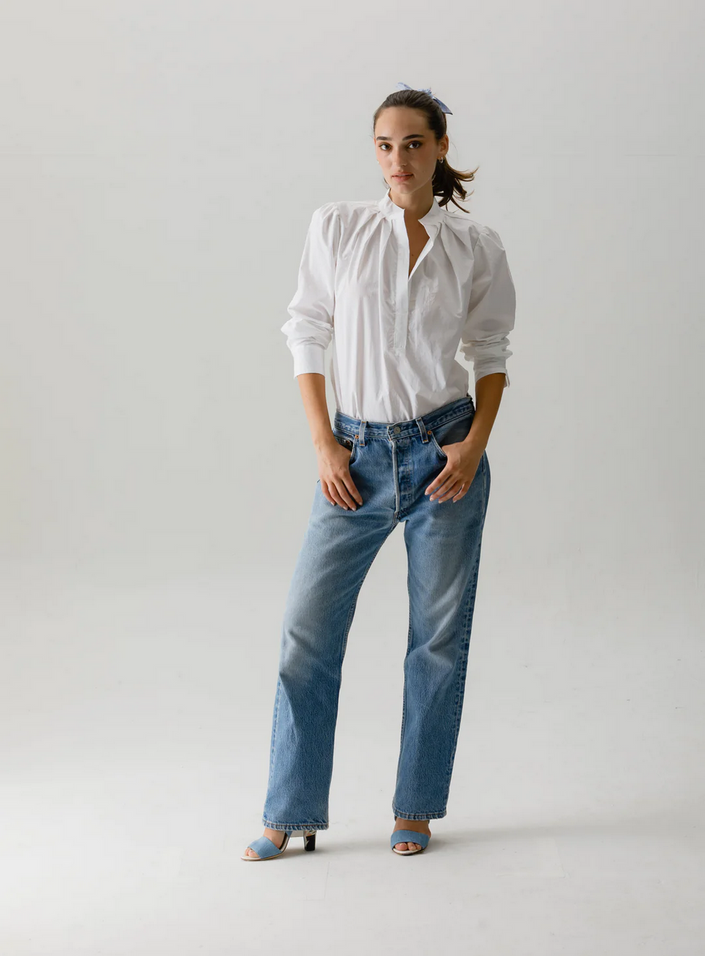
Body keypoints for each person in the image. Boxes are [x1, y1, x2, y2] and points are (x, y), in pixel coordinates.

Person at [242, 82, 516, 861]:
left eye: (414, 144)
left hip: (444, 455)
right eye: (385, 146)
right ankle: (289, 812)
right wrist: (324, 444)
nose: (398, 160)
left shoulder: (475, 246)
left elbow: (490, 354)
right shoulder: (337, 227)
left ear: (440, 148)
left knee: (436, 640)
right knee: (307, 634)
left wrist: (473, 445)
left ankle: (415, 807)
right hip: (353, 457)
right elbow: (306, 330)